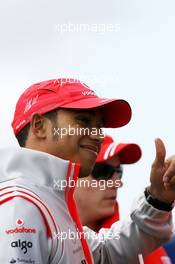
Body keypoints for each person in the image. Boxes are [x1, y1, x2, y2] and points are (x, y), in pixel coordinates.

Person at [0, 78, 175, 264]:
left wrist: (158, 199)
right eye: (83, 121)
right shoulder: (19, 206)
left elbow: (106, 253)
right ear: (39, 126)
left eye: (99, 126)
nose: (98, 135)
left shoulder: (48, 206)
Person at [74, 135, 142, 231]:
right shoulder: (46, 235)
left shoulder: (139, 244)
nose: (117, 183)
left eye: (119, 171)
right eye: (103, 171)